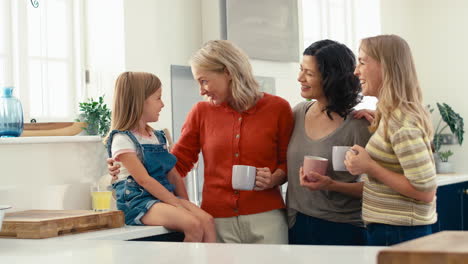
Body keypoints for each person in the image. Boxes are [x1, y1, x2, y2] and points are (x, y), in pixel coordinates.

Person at [109, 41, 294, 244]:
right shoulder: (201, 112)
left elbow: (289, 163)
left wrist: (274, 178)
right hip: (217, 221)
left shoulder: (278, 108)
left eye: (204, 81)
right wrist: (127, 168)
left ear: (228, 72)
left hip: (266, 218)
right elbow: (176, 165)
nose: (201, 91)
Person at [345, 35, 437, 246]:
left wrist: (369, 166)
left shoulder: (401, 122)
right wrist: (380, 116)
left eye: (362, 62)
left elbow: (426, 192)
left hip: (398, 232)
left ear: (385, 66)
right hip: (393, 229)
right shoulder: (393, 116)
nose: (356, 71)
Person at [104, 71, 216, 243]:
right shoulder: (122, 139)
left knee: (207, 221)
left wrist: (185, 203)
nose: (162, 104)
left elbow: (173, 175)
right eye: (158, 98)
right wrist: (178, 205)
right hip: (138, 201)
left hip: (162, 197)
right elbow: (144, 180)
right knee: (193, 224)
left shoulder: (157, 136)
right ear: (140, 101)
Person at [286, 39, 372, 245]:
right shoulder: (298, 113)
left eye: (309, 73)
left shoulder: (359, 125)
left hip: (342, 228)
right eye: (301, 70)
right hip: (297, 222)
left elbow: (376, 188)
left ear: (330, 78)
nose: (300, 78)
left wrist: (331, 185)